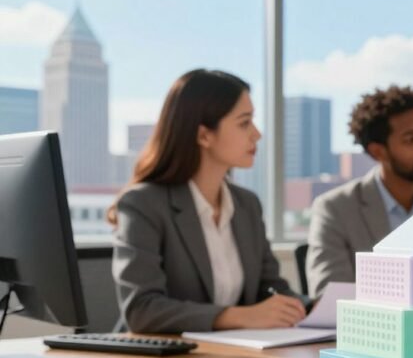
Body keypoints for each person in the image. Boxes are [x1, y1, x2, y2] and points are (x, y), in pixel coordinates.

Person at [110, 69, 306, 334]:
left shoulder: (247, 204)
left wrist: (315, 307)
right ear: (204, 135)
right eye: (244, 122)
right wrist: (238, 316)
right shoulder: (143, 204)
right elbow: (142, 310)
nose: (257, 134)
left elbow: (269, 288)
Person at [305, 85, 413, 297]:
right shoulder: (336, 209)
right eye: (410, 139)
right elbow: (331, 296)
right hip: (373, 328)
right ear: (378, 152)